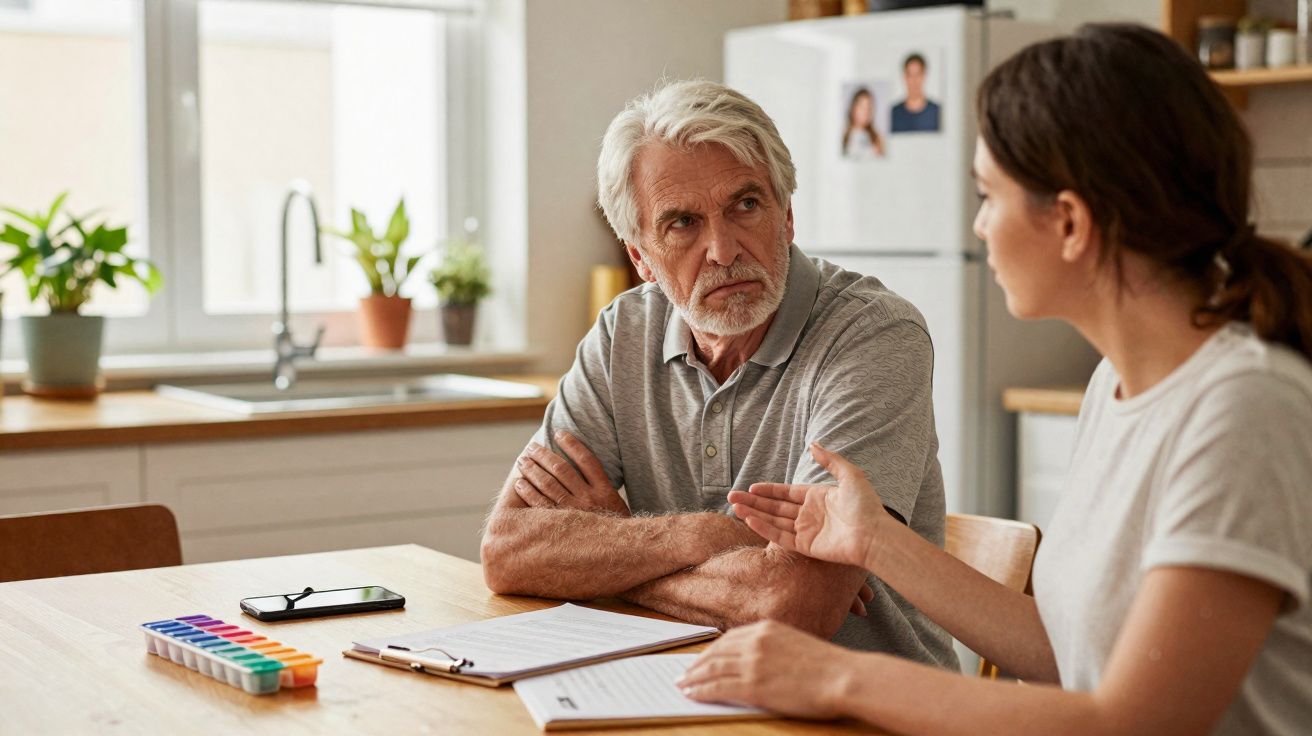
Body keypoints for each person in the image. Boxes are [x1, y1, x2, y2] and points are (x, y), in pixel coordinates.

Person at [679, 24, 1312, 736]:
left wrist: (834, 676)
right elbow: (1066, 654)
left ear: (1069, 223)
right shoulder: (1117, 386)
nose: (978, 226)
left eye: (987, 195)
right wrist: (874, 541)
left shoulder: (1244, 409)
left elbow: (1136, 723)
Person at [480, 79, 958, 669]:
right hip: (682, 690)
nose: (723, 250)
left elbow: (793, 606)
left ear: (786, 216)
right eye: (682, 222)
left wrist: (616, 546)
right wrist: (710, 537)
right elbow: (508, 551)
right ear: (640, 257)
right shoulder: (621, 333)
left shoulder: (874, 336)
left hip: (866, 714)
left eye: (746, 205)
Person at [890, 53, 941, 133]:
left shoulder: (937, 112)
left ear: (924, 76)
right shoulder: (893, 114)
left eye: (918, 75)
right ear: (905, 77)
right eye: (910, 75)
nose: (914, 81)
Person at [841, 87, 885, 158]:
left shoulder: (877, 139)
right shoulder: (843, 136)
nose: (866, 112)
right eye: (862, 107)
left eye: (869, 107)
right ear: (853, 108)